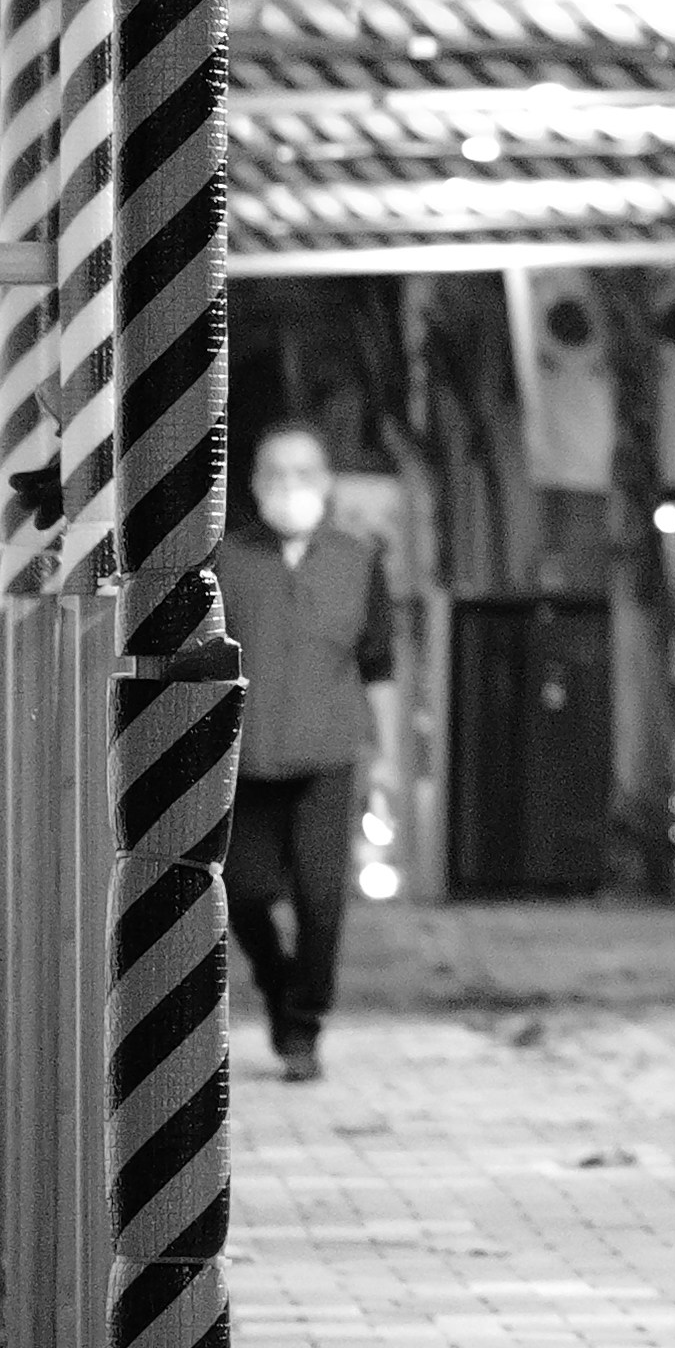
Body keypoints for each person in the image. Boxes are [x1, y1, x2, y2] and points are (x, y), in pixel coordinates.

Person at [209, 413, 407, 1080]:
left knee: (324, 898)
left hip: (330, 753)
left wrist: (388, 761)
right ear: (255, 482)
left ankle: (304, 1023)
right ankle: (275, 981)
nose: (289, 485)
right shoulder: (226, 562)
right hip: (247, 757)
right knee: (243, 889)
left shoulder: (358, 560)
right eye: (275, 473)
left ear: (325, 483)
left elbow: (378, 665)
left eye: (303, 473)